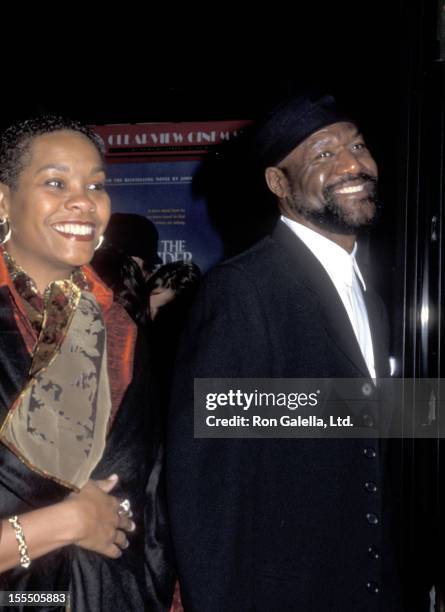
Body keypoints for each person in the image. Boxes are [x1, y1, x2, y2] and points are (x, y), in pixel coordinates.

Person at [167, 93, 403, 611]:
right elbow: (208, 489)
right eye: (323, 154)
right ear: (278, 184)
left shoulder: (373, 302)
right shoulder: (243, 291)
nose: (353, 164)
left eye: (358, 145)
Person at [0, 116, 173, 611]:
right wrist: (66, 523)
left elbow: (153, 486)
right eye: (56, 183)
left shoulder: (119, 325)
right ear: (3, 200)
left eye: (95, 185)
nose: (83, 201)